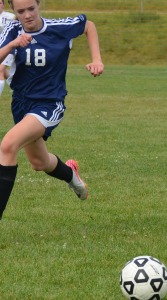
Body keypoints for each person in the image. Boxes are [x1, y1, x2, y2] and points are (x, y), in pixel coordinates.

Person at [0, 0, 104, 220]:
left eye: (31, 9)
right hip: (21, 104)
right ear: (14, 12)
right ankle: (71, 174)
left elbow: (89, 26)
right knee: (39, 163)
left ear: (39, 5)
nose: (27, 15)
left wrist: (96, 59)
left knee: (8, 145)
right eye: (20, 11)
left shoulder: (59, 28)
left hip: (49, 103)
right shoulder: (12, 30)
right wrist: (13, 45)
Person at [0, 0, 15, 98]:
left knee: (0, 69)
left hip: (8, 48)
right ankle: (18, 86)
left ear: (3, 5)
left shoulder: (11, 17)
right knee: (5, 72)